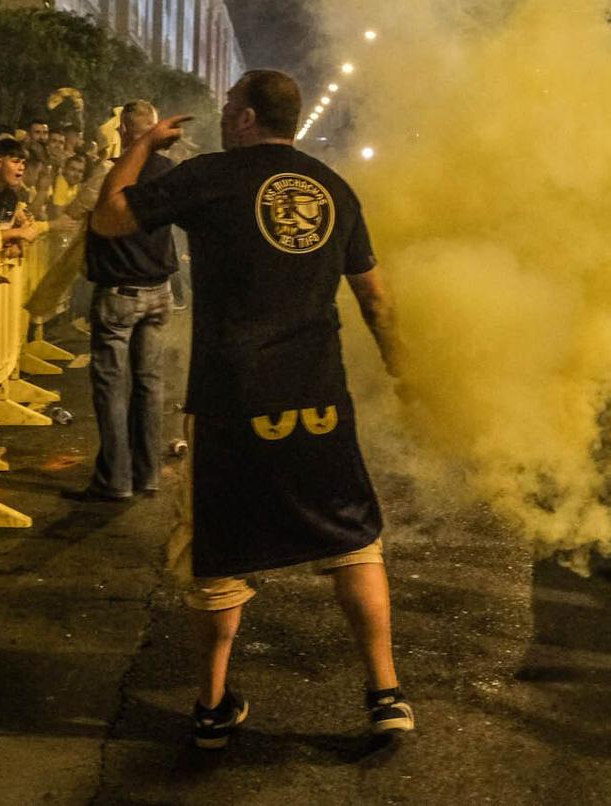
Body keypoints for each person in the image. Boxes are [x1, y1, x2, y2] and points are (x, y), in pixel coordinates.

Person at [90, 69, 412, 749]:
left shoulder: (211, 175)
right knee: (352, 538)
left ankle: (212, 706)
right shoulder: (333, 187)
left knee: (219, 548)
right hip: (317, 395)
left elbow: (110, 214)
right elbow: (376, 299)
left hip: (231, 397)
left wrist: (144, 142)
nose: (225, 113)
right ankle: (385, 693)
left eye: (230, 104)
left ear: (243, 118)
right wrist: (403, 371)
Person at [72, 102, 177, 503]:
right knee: (150, 385)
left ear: (125, 132)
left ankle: (114, 479)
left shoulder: (108, 173)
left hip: (119, 294)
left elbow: (74, 209)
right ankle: (146, 474)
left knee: (113, 388)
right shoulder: (166, 172)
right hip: (159, 292)